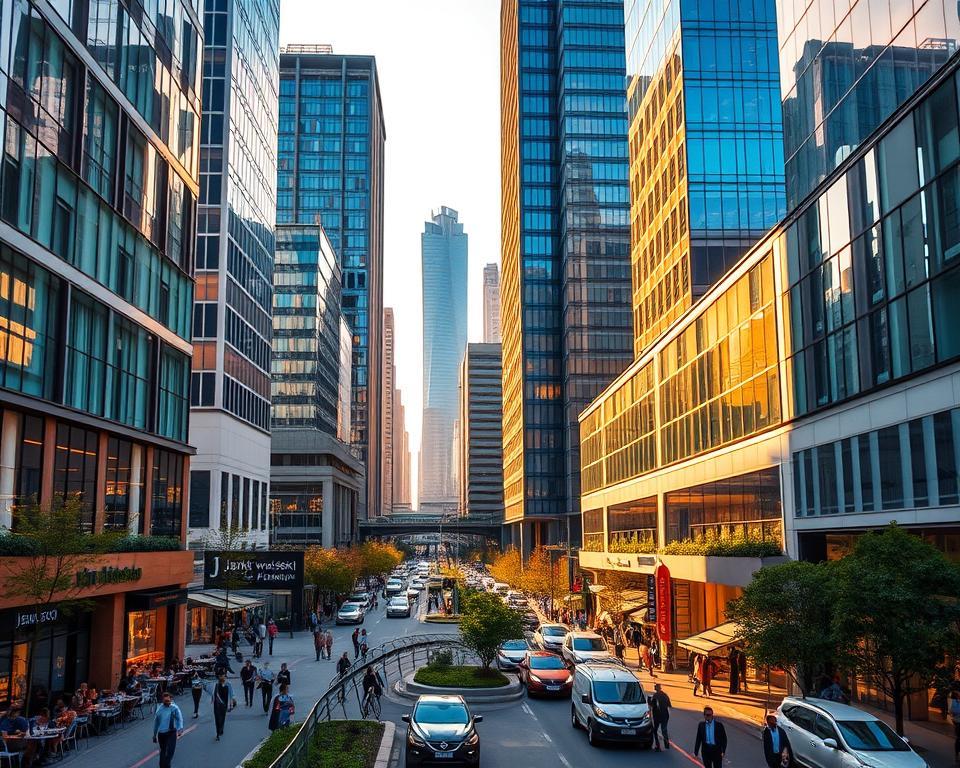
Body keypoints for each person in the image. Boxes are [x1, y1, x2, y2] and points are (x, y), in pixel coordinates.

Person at [152, 692, 184, 768]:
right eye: (165, 701)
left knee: (170, 752)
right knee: (163, 752)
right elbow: (156, 723)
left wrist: (180, 728)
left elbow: (179, 719)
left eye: (168, 701)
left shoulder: (174, 708)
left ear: (171, 699)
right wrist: (154, 735)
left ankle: (166, 766)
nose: (167, 703)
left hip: (171, 732)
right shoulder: (159, 710)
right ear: (163, 701)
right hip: (162, 734)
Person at [209, 672, 235, 741]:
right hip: (216, 705)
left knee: (222, 718)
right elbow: (213, 693)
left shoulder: (228, 684)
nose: (222, 678)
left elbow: (231, 695)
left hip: (224, 704)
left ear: (225, 677)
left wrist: (231, 704)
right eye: (220, 676)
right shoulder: (216, 685)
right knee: (217, 718)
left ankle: (221, 729)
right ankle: (218, 733)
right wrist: (212, 700)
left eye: (223, 676)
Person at [649, 682, 671, 751]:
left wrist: (649, 700)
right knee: (664, 730)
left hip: (657, 715)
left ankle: (658, 746)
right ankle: (666, 744)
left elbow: (652, 705)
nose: (654, 688)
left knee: (655, 730)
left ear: (657, 688)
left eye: (655, 687)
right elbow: (669, 705)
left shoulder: (655, 696)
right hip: (665, 715)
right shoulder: (665, 695)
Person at [949, 690, 960, 764]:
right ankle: (957, 754)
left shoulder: (957, 701)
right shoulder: (953, 701)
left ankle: (957, 754)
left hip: (957, 721)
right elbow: (953, 711)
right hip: (958, 722)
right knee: (959, 738)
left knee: (959, 739)